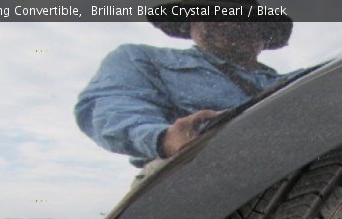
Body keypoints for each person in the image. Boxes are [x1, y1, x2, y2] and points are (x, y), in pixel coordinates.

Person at [74, 0, 293, 168]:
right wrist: (164, 138)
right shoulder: (141, 58)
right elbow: (115, 108)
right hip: (191, 174)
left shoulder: (294, 81)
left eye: (244, 19)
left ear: (262, 33)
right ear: (191, 24)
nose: (232, 23)